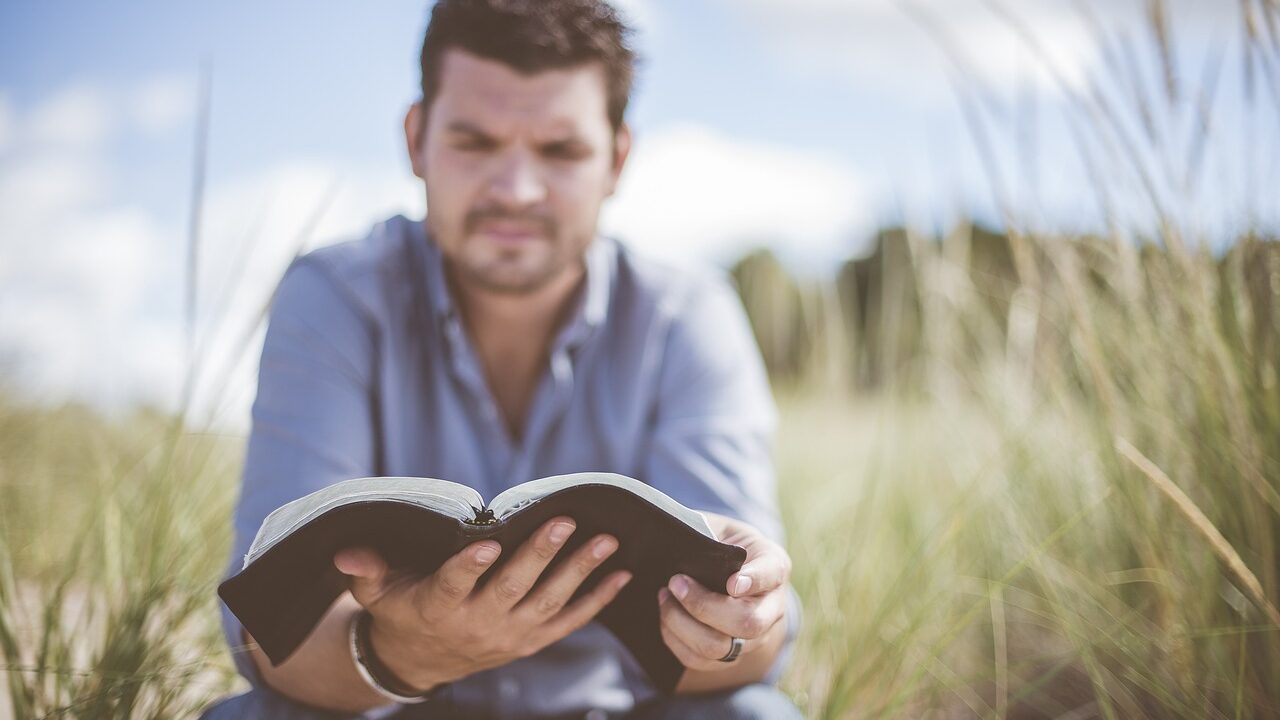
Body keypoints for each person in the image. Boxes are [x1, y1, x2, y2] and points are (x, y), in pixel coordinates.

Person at [201, 1, 802, 717]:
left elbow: (758, 653)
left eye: (559, 151)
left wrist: (736, 621)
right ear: (417, 139)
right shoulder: (333, 298)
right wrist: (409, 652)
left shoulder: (688, 316)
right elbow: (265, 638)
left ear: (616, 158)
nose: (516, 190)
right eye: (475, 142)